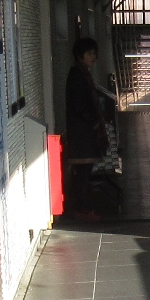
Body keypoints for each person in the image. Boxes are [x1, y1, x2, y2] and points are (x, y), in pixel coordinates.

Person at [62, 37, 110, 219]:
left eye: (94, 53)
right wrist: (95, 123)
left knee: (84, 171)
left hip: (83, 132)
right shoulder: (77, 76)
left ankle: (81, 206)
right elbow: (81, 104)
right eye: (90, 53)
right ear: (80, 56)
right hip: (83, 133)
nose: (94, 57)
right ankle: (81, 207)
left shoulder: (81, 74)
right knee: (83, 172)